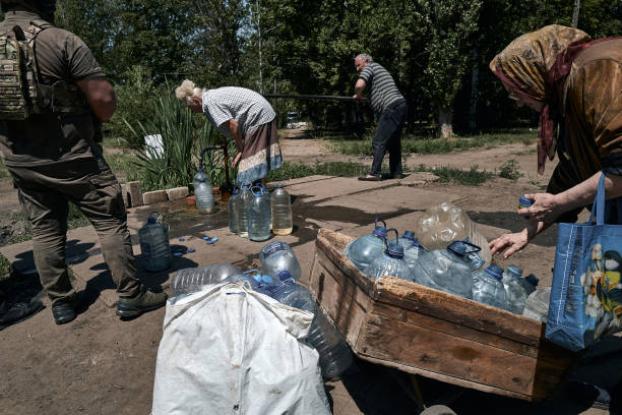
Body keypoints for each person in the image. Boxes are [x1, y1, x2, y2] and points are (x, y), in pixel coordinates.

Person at [0, 0, 167, 325]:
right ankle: (131, 296)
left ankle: (61, 303)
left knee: (45, 229)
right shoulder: (60, 40)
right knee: (108, 220)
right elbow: (103, 102)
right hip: (74, 158)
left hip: (22, 161)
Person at [488, 25, 622, 412]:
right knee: (610, 293)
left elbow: (620, 168)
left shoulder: (599, 72)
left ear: (535, 70)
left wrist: (557, 201)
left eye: (514, 85)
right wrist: (528, 232)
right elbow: (575, 173)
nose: (513, 96)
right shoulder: (570, 90)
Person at [175, 81, 283, 186]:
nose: (191, 110)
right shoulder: (210, 97)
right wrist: (241, 149)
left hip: (258, 117)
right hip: (260, 115)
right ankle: (258, 195)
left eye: (190, 107)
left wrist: (240, 149)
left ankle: (252, 198)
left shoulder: (209, 103)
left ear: (195, 101)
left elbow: (234, 125)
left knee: (248, 169)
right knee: (254, 164)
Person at [352, 53, 407, 181]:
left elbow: (359, 86)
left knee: (378, 141)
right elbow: (379, 94)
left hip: (392, 107)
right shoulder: (379, 69)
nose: (357, 69)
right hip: (401, 105)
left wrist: (357, 95)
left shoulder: (370, 67)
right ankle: (397, 172)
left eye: (358, 65)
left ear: (366, 61)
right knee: (393, 143)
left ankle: (374, 173)